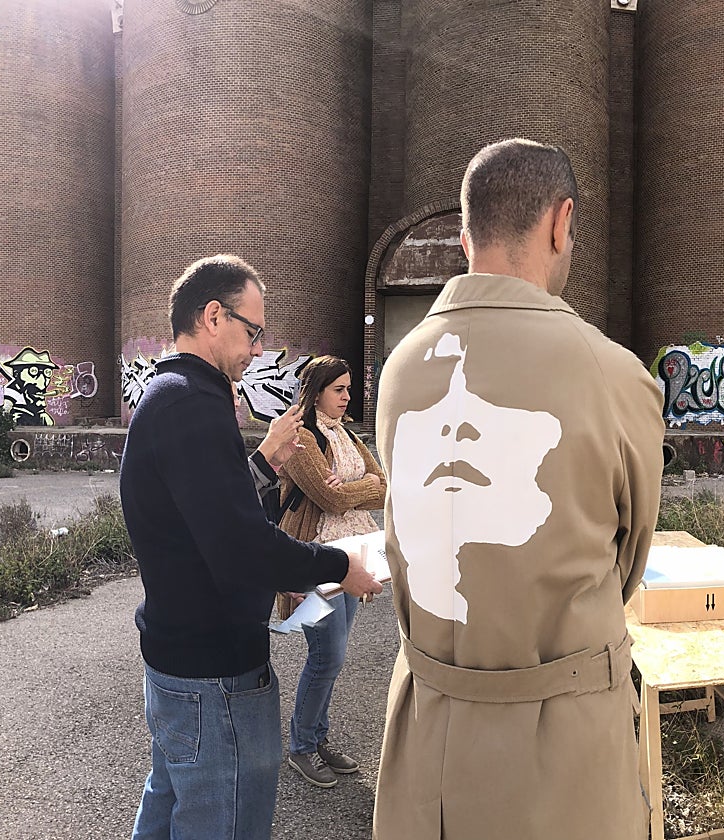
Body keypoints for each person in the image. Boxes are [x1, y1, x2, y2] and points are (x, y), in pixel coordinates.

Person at [372, 138, 664, 840]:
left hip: (430, 729)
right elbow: (628, 559)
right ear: (562, 223)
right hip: (561, 748)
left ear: (466, 237)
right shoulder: (614, 373)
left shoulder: (400, 368)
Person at [119, 254, 382, 840]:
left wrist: (262, 462)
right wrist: (342, 565)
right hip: (214, 675)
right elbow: (240, 546)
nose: (259, 349)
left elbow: (202, 515)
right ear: (214, 316)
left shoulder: (169, 394)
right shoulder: (193, 403)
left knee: (166, 811)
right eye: (253, 330)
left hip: (179, 664)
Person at [272, 355, 386, 788]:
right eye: (338, 389)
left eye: (348, 389)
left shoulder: (346, 435)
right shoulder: (302, 438)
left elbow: (383, 486)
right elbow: (328, 498)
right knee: (327, 656)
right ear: (316, 391)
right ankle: (302, 747)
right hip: (316, 558)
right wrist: (363, 489)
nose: (347, 396)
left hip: (353, 556)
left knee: (332, 658)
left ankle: (316, 739)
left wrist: (359, 488)